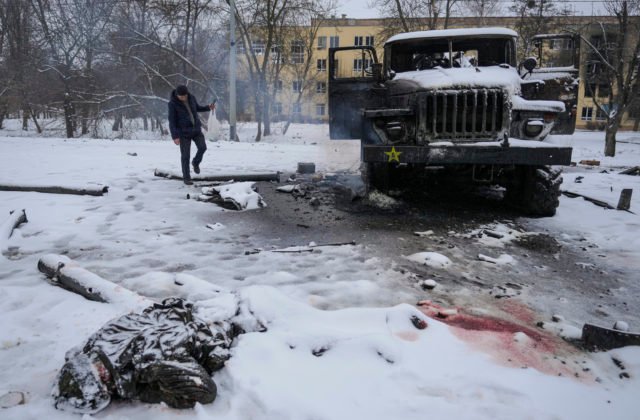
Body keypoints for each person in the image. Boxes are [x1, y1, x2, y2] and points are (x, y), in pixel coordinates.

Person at [168, 85, 215, 185]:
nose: (183, 98)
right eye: (181, 96)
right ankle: (186, 178)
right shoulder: (172, 104)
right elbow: (172, 121)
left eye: (184, 96)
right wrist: (175, 136)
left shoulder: (191, 98)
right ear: (177, 95)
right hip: (183, 133)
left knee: (202, 148)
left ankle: (195, 162)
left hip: (196, 130)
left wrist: (208, 107)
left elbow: (197, 108)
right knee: (185, 156)